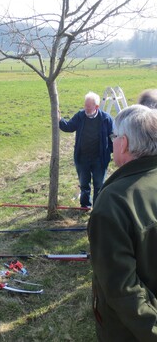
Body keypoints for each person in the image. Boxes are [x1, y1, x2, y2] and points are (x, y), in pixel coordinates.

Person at [88, 104, 157, 341]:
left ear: (124, 143)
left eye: (114, 137)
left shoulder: (114, 201)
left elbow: (123, 291)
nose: (112, 142)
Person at [59, 92, 113, 208]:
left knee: (99, 185)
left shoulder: (106, 119)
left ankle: (97, 208)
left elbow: (113, 137)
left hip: (100, 158)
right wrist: (59, 119)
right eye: (85, 105)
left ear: (96, 107)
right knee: (84, 184)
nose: (86, 108)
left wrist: (113, 152)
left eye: (88, 106)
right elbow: (69, 127)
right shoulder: (80, 116)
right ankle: (85, 207)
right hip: (82, 158)